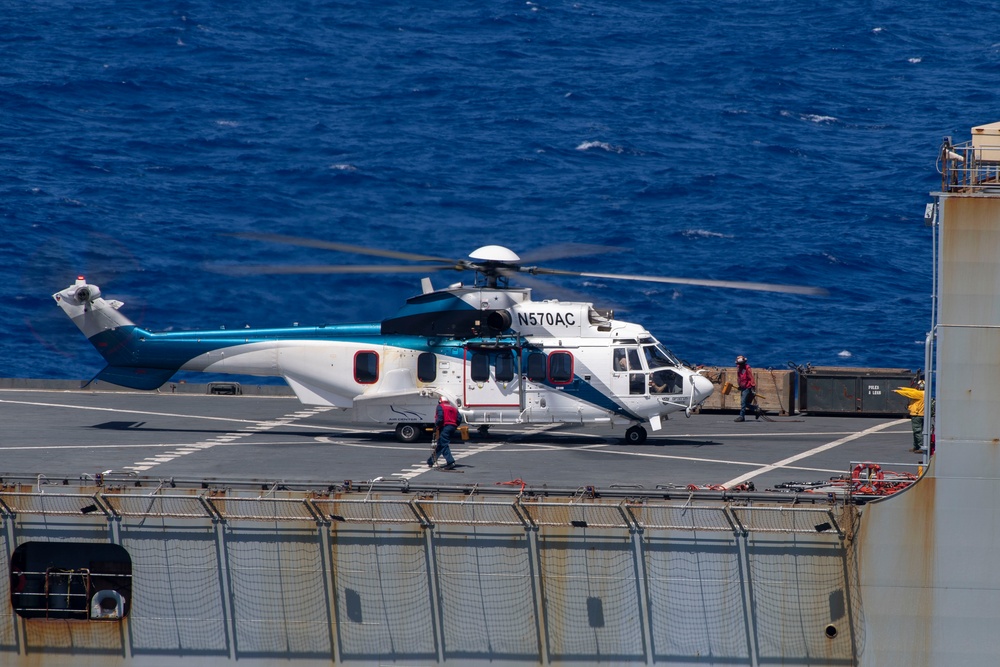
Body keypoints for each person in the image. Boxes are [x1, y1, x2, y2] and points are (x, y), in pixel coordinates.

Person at [894, 379, 926, 452]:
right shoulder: (924, 393)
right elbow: (912, 391)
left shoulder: (920, 394)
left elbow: (909, 393)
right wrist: (903, 388)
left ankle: (920, 447)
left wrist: (898, 391)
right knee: (916, 432)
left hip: (917, 415)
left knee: (917, 432)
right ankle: (916, 446)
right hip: (920, 414)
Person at [428, 396, 460, 470]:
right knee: (441, 444)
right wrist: (454, 425)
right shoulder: (453, 407)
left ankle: (450, 462)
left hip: (445, 426)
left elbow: (440, 417)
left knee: (443, 444)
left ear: (440, 401)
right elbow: (459, 418)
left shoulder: (440, 406)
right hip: (452, 427)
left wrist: (436, 426)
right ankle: (431, 461)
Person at [734, 355, 759, 422]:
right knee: (745, 403)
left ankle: (741, 416)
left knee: (743, 402)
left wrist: (753, 386)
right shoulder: (739, 367)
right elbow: (739, 377)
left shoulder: (747, 368)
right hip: (742, 387)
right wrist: (739, 385)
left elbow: (751, 377)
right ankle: (756, 409)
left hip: (747, 387)